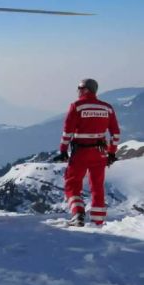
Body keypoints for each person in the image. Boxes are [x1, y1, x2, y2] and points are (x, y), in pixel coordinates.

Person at [51, 79, 121, 227]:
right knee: (97, 186)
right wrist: (112, 153)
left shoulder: (77, 106)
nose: (77, 90)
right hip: (100, 153)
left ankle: (78, 214)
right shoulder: (107, 108)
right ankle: (98, 222)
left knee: (72, 184)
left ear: (86, 89)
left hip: (80, 152)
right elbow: (115, 134)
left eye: (79, 88)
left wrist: (63, 150)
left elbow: (67, 132)